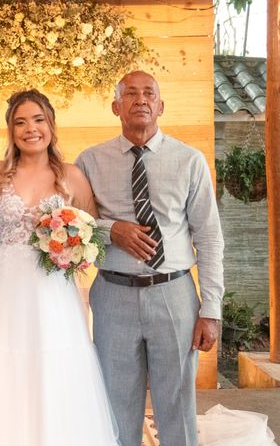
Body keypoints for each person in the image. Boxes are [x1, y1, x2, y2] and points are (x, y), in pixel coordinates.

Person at [0, 89, 120, 445]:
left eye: (38, 120)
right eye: (20, 122)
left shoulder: (71, 176)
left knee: (51, 370)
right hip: (0, 289)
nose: (30, 129)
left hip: (50, 292)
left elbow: (94, 233)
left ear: (51, 125)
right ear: (10, 129)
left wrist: (72, 249)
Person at [75, 71, 224, 446]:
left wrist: (211, 309)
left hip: (174, 295)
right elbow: (73, 224)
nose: (140, 100)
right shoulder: (90, 161)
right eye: (130, 94)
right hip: (112, 294)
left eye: (148, 94)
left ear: (160, 106)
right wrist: (112, 231)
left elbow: (209, 237)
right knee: (115, 403)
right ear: (116, 106)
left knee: (176, 404)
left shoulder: (189, 161)